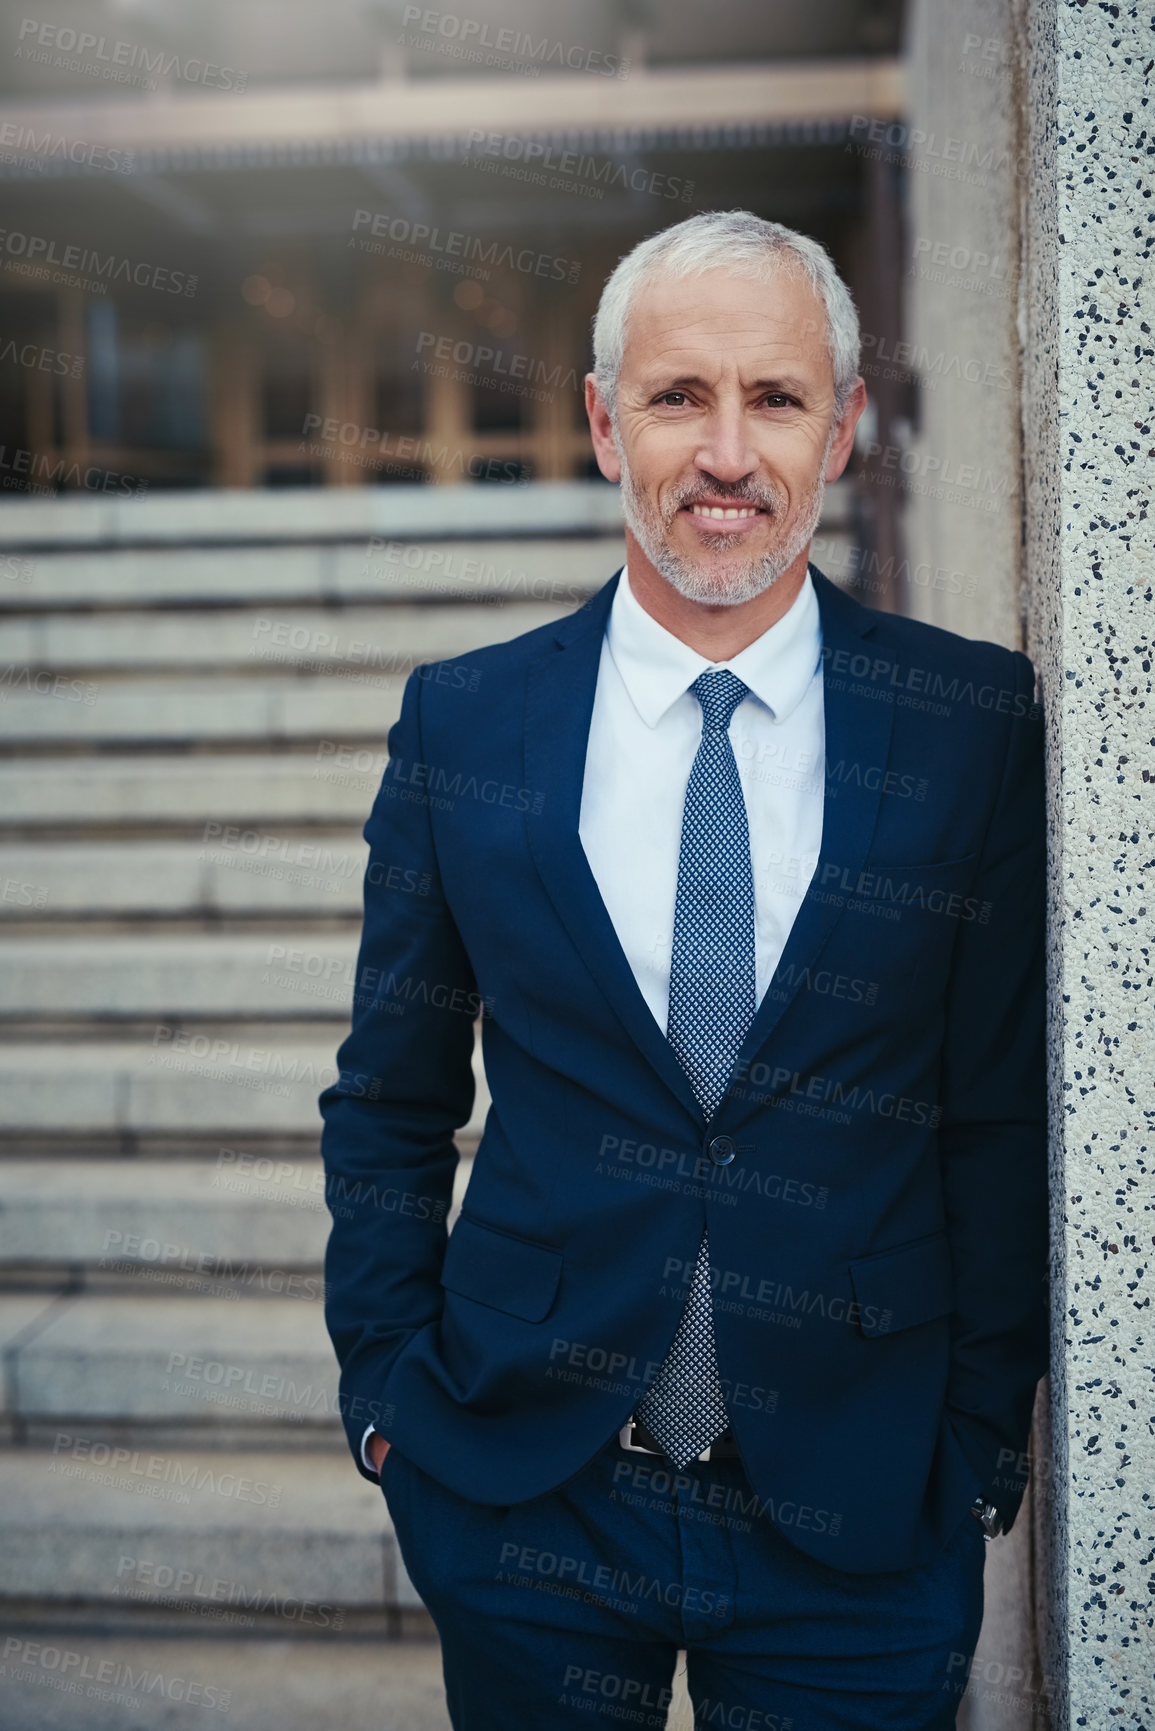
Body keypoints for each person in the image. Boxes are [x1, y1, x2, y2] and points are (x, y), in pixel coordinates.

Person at [319, 209, 1048, 1730]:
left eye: (775, 399)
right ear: (603, 423)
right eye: (677, 398)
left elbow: (995, 1110)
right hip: (529, 1494)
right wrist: (389, 1397)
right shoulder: (467, 728)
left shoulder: (968, 726)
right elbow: (389, 1097)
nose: (728, 454)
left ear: (843, 428)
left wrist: (980, 1434)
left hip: (857, 1522)